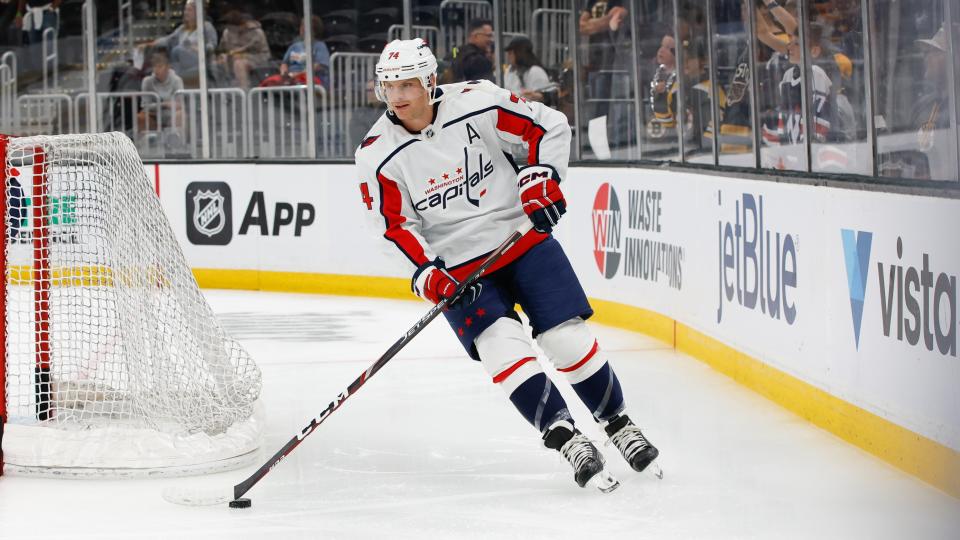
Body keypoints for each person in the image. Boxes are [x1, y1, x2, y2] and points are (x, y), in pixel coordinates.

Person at [355, 38, 660, 491]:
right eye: (389, 86)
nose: (397, 96)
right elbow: (394, 227)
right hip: (460, 270)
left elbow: (549, 127)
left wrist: (541, 177)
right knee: (502, 348)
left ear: (431, 81)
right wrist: (427, 274)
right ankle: (566, 438)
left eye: (407, 84)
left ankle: (617, 423)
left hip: (521, 238)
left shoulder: (477, 102)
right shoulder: (377, 153)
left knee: (567, 338)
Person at [145, 0, 217, 85]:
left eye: (189, 10)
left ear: (197, 12)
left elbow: (212, 45)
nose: (186, 12)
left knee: (177, 50)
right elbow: (168, 39)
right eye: (185, 10)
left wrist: (199, 48)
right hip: (181, 61)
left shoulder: (206, 26)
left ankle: (173, 74)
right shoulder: (182, 29)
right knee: (157, 54)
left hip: (199, 59)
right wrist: (150, 44)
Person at [259, 15, 329, 88]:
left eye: (305, 26)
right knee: (271, 82)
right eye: (301, 25)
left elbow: (317, 66)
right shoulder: (294, 46)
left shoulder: (320, 46)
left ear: (314, 29)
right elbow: (284, 64)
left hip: (310, 79)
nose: (302, 28)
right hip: (291, 77)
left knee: (297, 83)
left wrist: (297, 74)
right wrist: (284, 74)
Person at [217, 9, 270, 89]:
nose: (230, 30)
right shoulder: (227, 33)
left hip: (257, 58)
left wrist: (242, 55)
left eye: (232, 28)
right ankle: (224, 92)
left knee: (239, 64)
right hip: (232, 59)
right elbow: (222, 49)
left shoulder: (256, 32)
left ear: (241, 24)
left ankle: (244, 92)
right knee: (219, 62)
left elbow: (263, 53)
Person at [137, 48, 184, 133]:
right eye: (154, 67)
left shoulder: (177, 80)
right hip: (153, 114)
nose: (156, 70)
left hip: (171, 115)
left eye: (159, 67)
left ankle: (178, 141)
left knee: (181, 115)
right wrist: (165, 104)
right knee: (140, 117)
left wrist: (172, 106)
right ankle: (145, 142)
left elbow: (179, 104)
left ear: (168, 67)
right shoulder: (147, 81)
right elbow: (145, 106)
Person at [503, 36, 554, 103]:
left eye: (510, 53)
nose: (508, 56)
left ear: (520, 52)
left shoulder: (535, 71)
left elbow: (542, 101)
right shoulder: (510, 70)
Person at [445, 18, 495, 83]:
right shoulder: (480, 61)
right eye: (488, 36)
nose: (491, 40)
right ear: (476, 36)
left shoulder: (455, 52)